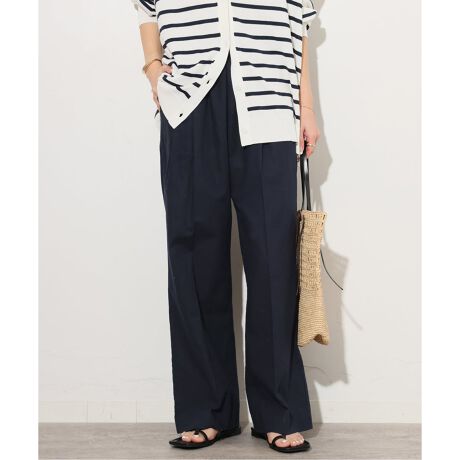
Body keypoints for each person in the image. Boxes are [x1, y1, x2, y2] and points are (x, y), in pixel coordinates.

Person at [131, 0, 321, 453]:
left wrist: (307, 106)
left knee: (273, 261)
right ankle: (206, 409)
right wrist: (154, 69)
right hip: (188, 105)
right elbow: (145, 8)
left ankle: (277, 412)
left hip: (269, 103)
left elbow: (299, 22)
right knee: (193, 258)